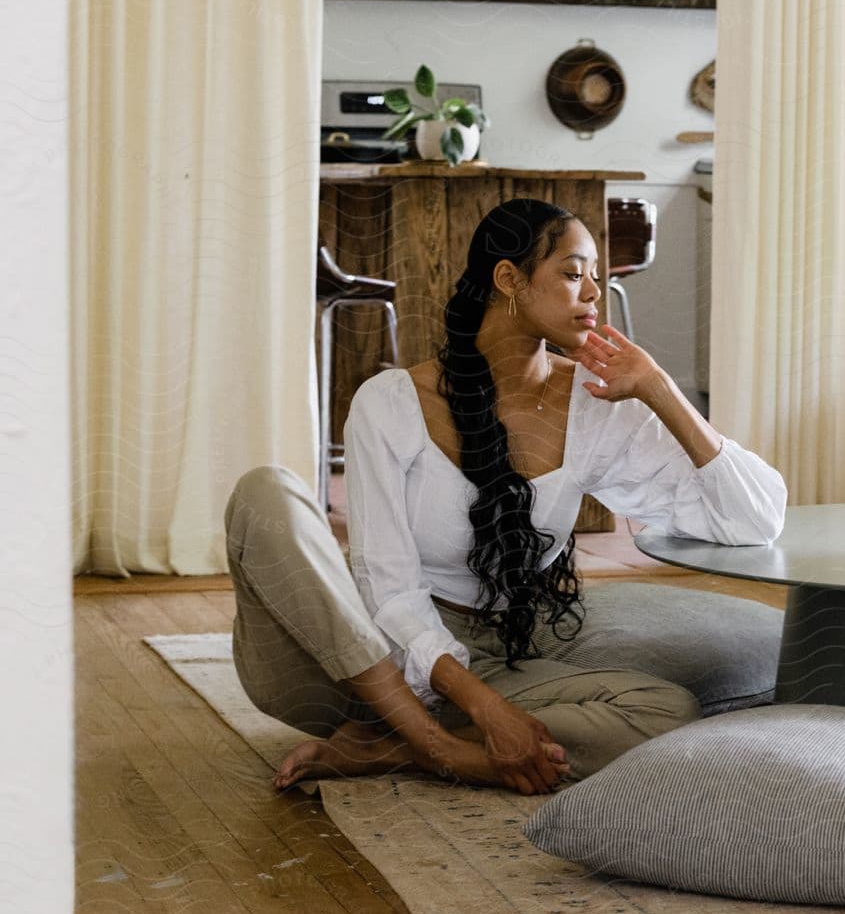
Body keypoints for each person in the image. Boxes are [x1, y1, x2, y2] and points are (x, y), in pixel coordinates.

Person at [223, 198, 787, 794]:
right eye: (573, 274)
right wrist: (483, 716)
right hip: (355, 665)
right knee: (267, 493)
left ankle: (393, 750)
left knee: (665, 713)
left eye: (596, 275)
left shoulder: (595, 407)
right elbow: (386, 591)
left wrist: (660, 390)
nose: (594, 292)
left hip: (495, 657)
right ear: (509, 280)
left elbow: (753, 522)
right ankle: (436, 746)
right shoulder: (391, 402)